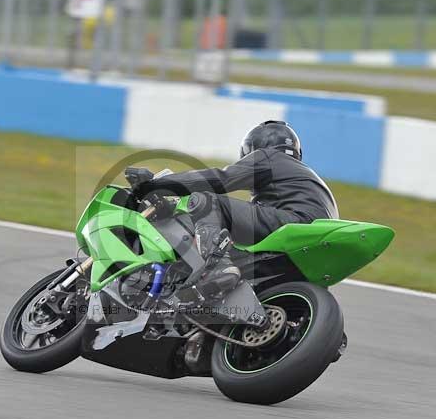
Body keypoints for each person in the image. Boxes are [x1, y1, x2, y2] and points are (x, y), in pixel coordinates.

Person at [133, 120, 339, 300]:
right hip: (314, 243)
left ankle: (217, 268)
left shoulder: (268, 157)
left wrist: (157, 184)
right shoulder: (308, 179)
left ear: (254, 148)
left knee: (206, 201)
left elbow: (220, 179)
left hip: (293, 223)